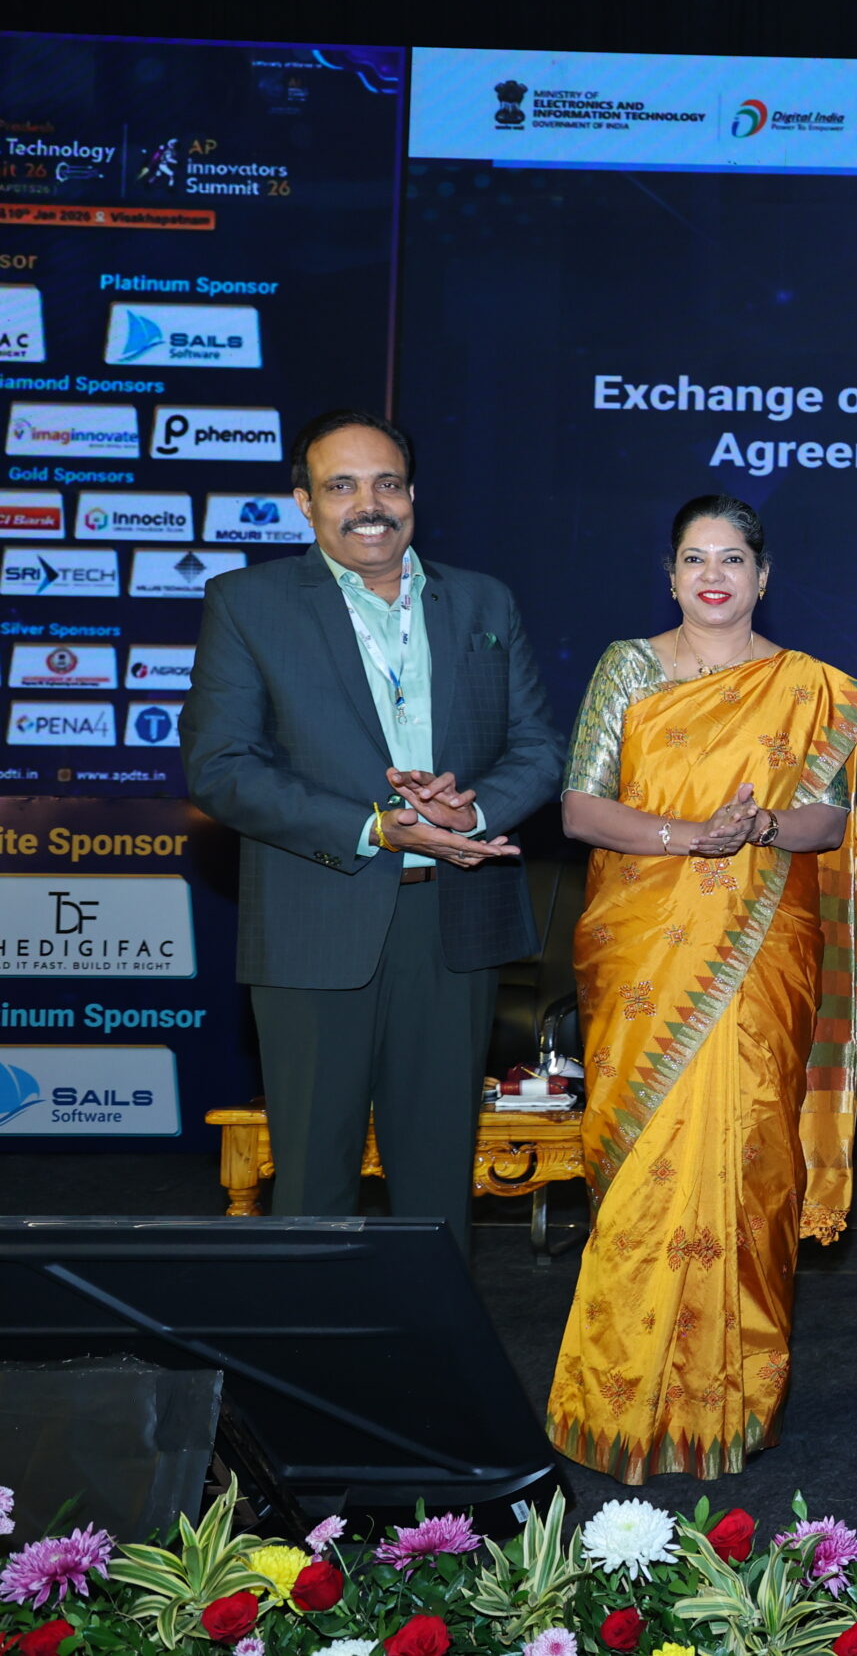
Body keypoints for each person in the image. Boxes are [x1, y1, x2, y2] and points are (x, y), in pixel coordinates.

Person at [543, 494, 857, 1483]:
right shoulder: (628, 668)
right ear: (671, 574)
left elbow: (828, 821)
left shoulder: (808, 688)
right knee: (644, 1178)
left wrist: (762, 826)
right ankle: (616, 1404)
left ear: (763, 577)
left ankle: (730, 1403)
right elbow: (579, 807)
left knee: (748, 1167)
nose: (714, 576)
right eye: (695, 558)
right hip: (648, 955)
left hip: (762, 952)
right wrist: (692, 837)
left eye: (733, 559)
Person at [181, 410, 564, 1253]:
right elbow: (220, 767)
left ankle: (430, 1343)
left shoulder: (483, 600)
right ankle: (309, 1345)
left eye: (387, 483)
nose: (369, 504)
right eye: (342, 485)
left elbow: (540, 748)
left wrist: (474, 811)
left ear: (413, 493)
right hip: (316, 914)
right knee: (313, 1181)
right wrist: (374, 828)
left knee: (439, 1180)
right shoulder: (248, 603)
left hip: (454, 917)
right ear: (304, 502)